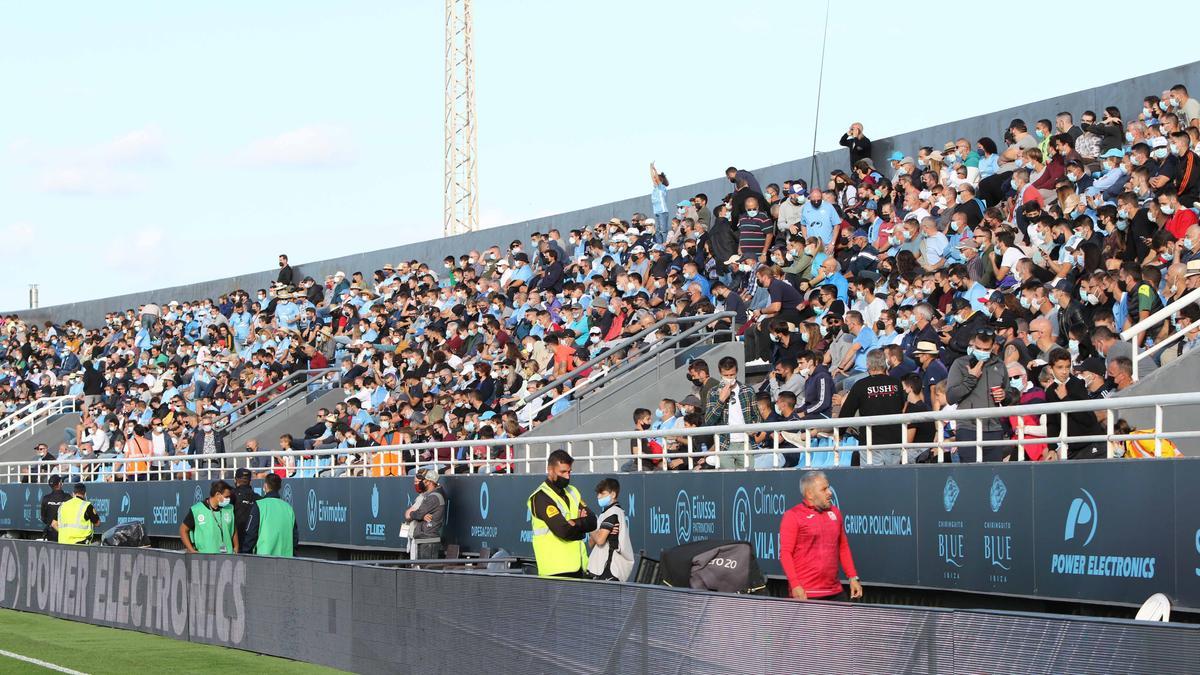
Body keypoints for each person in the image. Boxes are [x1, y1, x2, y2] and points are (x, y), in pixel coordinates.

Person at [779, 471, 863, 601]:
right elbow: (785, 553)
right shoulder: (793, 516)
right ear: (810, 494)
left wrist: (853, 577)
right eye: (824, 489)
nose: (829, 493)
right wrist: (795, 585)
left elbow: (843, 547)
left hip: (835, 590)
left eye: (828, 487)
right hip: (807, 593)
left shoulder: (835, 513)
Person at [944, 329, 1012, 462]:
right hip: (968, 428)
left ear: (993, 347)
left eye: (986, 349)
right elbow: (950, 397)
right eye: (978, 348)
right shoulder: (960, 364)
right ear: (973, 345)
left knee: (993, 475)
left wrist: (1004, 395)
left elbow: (1009, 395)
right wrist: (971, 378)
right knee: (971, 475)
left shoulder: (999, 364)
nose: (981, 351)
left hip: (994, 428)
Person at [528, 449, 596, 577]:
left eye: (569, 472)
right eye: (563, 472)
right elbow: (562, 530)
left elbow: (592, 520)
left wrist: (573, 523)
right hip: (555, 571)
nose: (567, 476)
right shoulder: (541, 496)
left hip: (579, 567)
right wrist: (581, 525)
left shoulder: (572, 491)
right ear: (550, 470)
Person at [837, 350, 905, 465]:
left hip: (871, 442)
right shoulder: (896, 383)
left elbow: (847, 412)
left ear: (868, 365)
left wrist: (839, 432)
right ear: (885, 363)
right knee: (893, 479)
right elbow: (902, 405)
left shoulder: (861, 385)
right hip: (894, 440)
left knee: (873, 480)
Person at [587, 478, 633, 581]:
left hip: (610, 569)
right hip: (599, 568)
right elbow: (590, 543)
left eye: (602, 493)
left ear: (613, 494)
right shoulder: (605, 514)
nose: (598, 497)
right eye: (598, 494)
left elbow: (599, 540)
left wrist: (589, 527)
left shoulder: (613, 513)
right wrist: (598, 531)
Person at [180, 480, 238, 554]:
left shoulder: (229, 508)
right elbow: (183, 530)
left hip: (227, 557)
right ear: (217, 494)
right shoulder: (197, 510)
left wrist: (236, 547)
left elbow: (234, 529)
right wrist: (191, 550)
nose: (228, 499)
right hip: (205, 558)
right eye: (226, 497)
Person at [403, 468, 446, 560]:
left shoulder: (433, 497)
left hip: (429, 539)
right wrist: (421, 516)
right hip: (425, 538)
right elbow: (417, 514)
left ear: (429, 482)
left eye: (423, 481)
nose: (421, 483)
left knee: (426, 569)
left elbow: (418, 514)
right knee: (422, 568)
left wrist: (417, 515)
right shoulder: (430, 495)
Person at [252, 473, 298, 557]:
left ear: (265, 486)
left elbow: (251, 534)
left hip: (263, 558)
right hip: (286, 559)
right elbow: (295, 537)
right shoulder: (288, 508)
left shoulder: (259, 505)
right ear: (279, 487)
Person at [231, 467, 260, 554]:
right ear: (250, 481)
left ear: (235, 480)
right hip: (252, 543)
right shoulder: (258, 498)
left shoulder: (229, 495)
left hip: (233, 543)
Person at [39, 474, 71, 541]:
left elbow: (43, 518)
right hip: (65, 532)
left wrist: (51, 524)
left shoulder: (46, 498)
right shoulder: (68, 497)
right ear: (60, 484)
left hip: (51, 533)